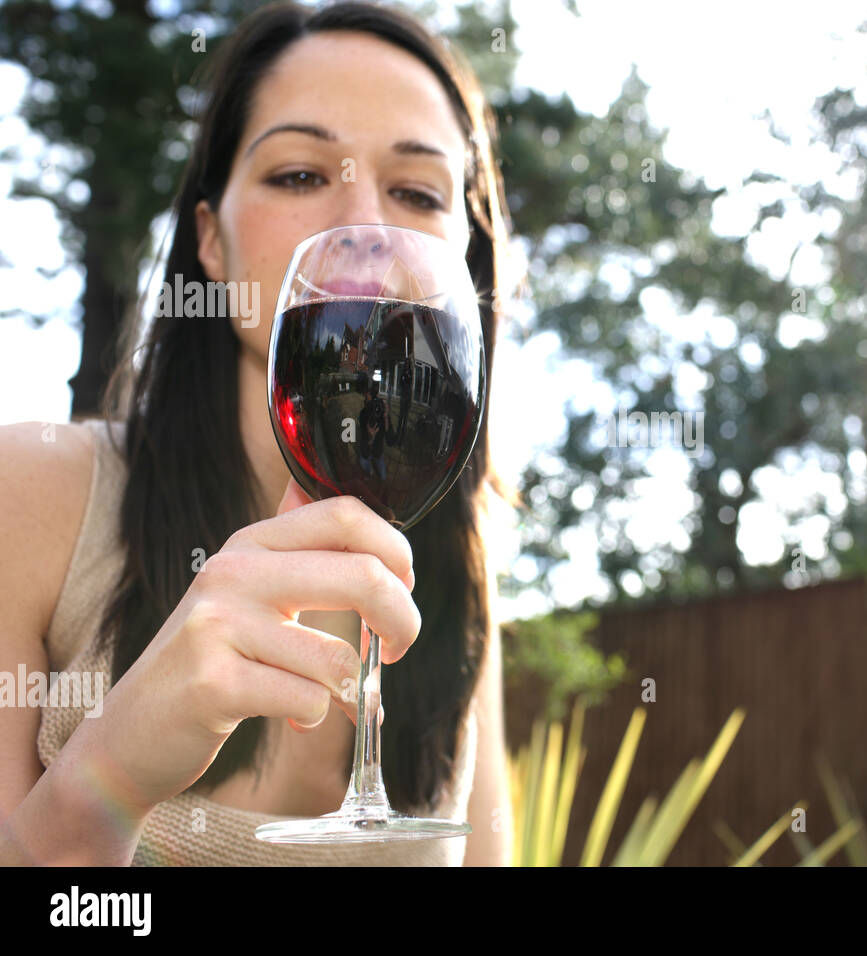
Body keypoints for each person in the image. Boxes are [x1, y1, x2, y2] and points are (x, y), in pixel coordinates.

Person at [0, 1, 515, 866]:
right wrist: (114, 771)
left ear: (469, 261)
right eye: (300, 176)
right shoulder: (28, 493)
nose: (361, 231)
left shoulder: (462, 569)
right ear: (209, 240)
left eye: (418, 192)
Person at [358, 379, 391, 481]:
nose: (366, 399)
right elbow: (364, 435)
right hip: (366, 450)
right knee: (363, 463)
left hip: (377, 451)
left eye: (368, 397)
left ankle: (373, 470)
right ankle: (369, 472)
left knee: (384, 477)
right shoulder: (363, 414)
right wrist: (370, 435)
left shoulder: (382, 414)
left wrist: (385, 417)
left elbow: (389, 436)